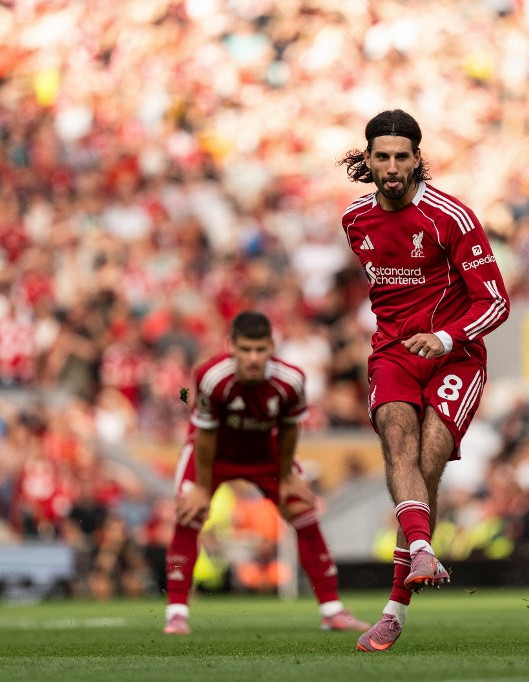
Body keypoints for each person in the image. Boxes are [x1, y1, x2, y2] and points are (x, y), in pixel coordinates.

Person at [339, 109, 510, 652]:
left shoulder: (450, 218)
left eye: (402, 156)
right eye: (382, 156)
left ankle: (395, 608)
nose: (392, 167)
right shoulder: (354, 221)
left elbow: (497, 301)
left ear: (418, 159)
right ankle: (421, 551)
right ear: (368, 159)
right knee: (397, 442)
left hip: (453, 355)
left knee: (427, 461)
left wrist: (444, 336)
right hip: (392, 353)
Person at [163, 311, 369, 635]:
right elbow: (204, 434)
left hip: (264, 451)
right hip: (214, 452)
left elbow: (289, 429)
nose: (253, 358)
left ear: (272, 346)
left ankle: (332, 611)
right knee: (190, 513)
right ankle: (176, 614)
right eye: (246, 349)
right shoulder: (211, 376)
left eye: (260, 349)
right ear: (231, 347)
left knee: (304, 512)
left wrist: (287, 475)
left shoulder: (291, 380)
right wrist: (202, 487)